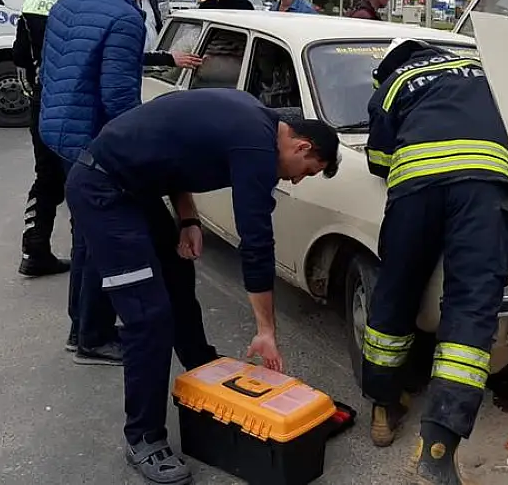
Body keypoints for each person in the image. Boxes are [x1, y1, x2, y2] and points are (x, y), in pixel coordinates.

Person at [64, 88, 339, 484]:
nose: (296, 180)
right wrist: (266, 331)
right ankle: (143, 438)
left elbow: (174, 151)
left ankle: (203, 368)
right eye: (306, 170)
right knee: (149, 317)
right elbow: (256, 242)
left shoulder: (249, 115)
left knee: (178, 275)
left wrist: (188, 219)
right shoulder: (256, 149)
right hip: (104, 191)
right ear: (301, 146)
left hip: (133, 186)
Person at [39, 0, 211, 369]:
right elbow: (119, 99)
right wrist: (141, 155)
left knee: (86, 233)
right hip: (92, 141)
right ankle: (92, 338)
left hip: (56, 131)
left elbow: (70, 64)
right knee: (106, 235)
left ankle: (83, 328)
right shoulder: (125, 17)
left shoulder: (67, 2)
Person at [362, 39, 508, 484]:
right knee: (471, 310)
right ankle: (437, 450)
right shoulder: (483, 73)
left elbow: (378, 160)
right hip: (486, 188)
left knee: (395, 293)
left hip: (416, 189)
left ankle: (384, 406)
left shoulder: (395, 82)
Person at [13, 0, 98, 279]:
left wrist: (34, 92)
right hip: (80, 105)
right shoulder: (93, 2)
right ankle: (88, 255)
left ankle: (35, 248)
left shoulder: (35, 2)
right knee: (86, 176)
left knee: (46, 176)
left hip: (42, 102)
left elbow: (20, 57)